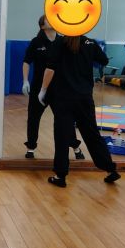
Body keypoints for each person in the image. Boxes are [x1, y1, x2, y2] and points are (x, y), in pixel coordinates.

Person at [38, 35, 120, 187]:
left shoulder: (59, 42)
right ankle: (110, 169)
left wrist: (43, 90)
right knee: (92, 134)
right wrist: (89, 56)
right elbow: (104, 60)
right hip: (84, 98)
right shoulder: (90, 43)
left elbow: (50, 68)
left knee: (62, 137)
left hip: (63, 98)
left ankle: (60, 176)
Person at [22, 15, 84, 160]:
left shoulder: (63, 42)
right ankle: (31, 147)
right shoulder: (36, 42)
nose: (53, 21)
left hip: (59, 88)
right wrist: (25, 81)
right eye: (48, 19)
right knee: (33, 117)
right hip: (38, 88)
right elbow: (26, 62)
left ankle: (76, 148)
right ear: (42, 26)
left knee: (65, 119)